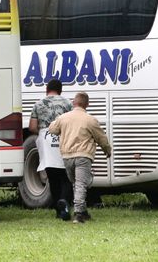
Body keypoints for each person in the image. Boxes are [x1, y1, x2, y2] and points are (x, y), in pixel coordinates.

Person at [49, 91, 112, 224]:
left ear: (73, 102)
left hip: (67, 156)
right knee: (81, 185)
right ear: (87, 104)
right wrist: (107, 150)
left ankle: (83, 211)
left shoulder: (63, 118)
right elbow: (101, 138)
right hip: (83, 156)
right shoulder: (90, 120)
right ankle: (78, 214)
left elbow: (52, 129)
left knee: (75, 184)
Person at [29, 79, 73, 220]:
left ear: (47, 89)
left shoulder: (38, 104)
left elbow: (32, 127)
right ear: (60, 90)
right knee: (66, 177)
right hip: (63, 140)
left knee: (52, 177)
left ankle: (57, 210)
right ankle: (64, 202)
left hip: (46, 141)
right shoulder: (67, 104)